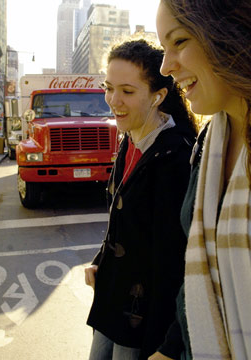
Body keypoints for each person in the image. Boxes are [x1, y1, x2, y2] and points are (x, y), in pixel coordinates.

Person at [149, 1, 251, 359]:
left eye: (179, 42)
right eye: (164, 49)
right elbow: (201, 272)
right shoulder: (207, 145)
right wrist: (170, 348)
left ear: (230, 31)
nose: (166, 66)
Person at [84, 39, 196, 360]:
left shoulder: (176, 155)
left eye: (127, 91)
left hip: (143, 318)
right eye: (109, 88)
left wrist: (169, 345)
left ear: (159, 95)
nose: (113, 101)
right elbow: (127, 223)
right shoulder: (129, 138)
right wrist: (99, 260)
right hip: (110, 301)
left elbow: (179, 262)